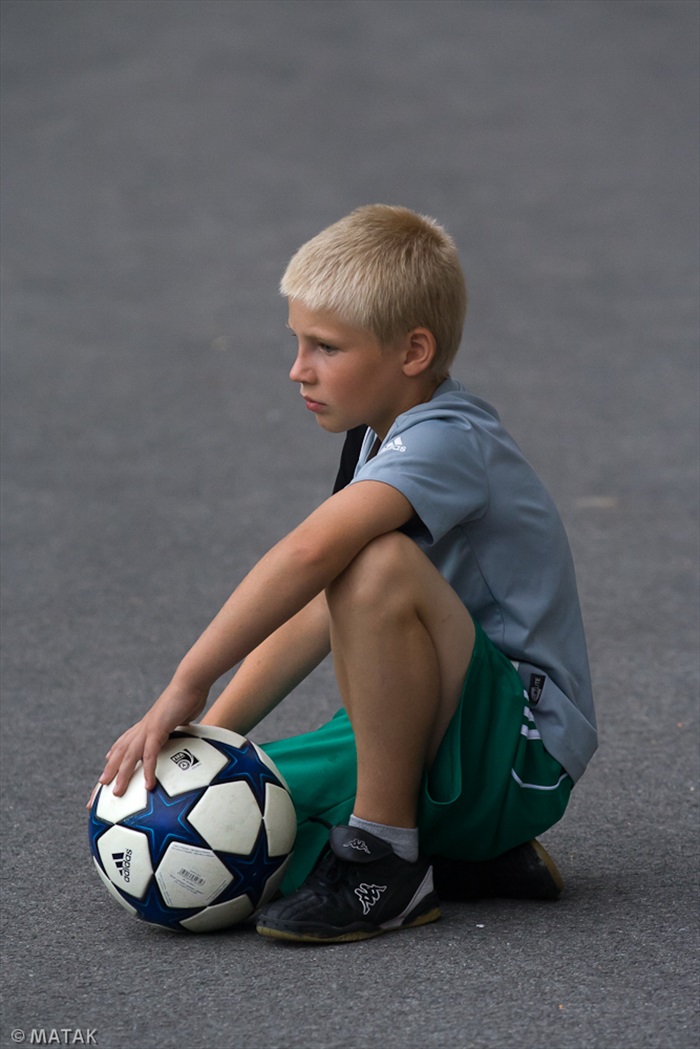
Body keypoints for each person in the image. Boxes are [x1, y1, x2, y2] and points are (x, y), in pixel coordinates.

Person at [92, 205, 597, 944]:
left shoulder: (449, 440)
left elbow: (310, 557)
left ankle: (384, 861)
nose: (298, 368)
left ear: (413, 351)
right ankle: (465, 855)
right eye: (297, 341)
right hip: (444, 724)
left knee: (374, 562)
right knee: (216, 814)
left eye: (326, 346)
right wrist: (205, 737)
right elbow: (314, 613)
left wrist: (187, 679)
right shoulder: (380, 434)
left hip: (521, 749)